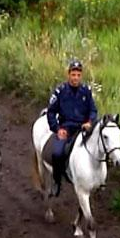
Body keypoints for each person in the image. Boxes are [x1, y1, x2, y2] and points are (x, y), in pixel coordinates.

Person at [46, 59, 98, 197]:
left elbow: (93, 110)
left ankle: (98, 179)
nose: (75, 78)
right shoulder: (60, 92)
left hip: (83, 129)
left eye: (78, 75)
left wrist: (90, 122)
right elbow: (51, 112)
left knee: (100, 147)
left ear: (81, 76)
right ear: (68, 75)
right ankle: (57, 181)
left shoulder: (86, 91)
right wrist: (57, 129)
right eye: (73, 74)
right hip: (66, 129)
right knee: (57, 153)